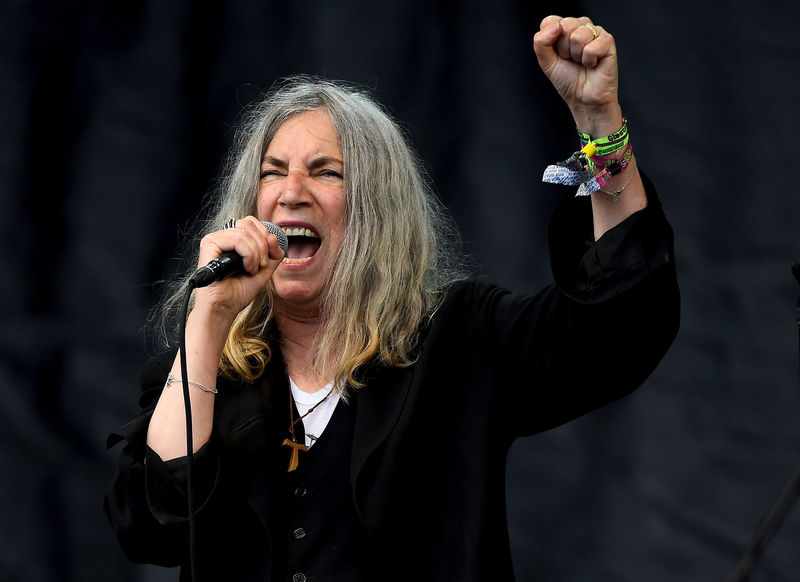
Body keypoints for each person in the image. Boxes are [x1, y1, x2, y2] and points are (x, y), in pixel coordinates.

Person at [104, 15, 679, 582]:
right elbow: (151, 526)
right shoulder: (205, 373)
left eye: (325, 172)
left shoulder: (459, 340)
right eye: (272, 172)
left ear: (375, 212)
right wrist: (206, 320)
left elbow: (618, 326)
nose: (291, 193)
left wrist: (600, 125)